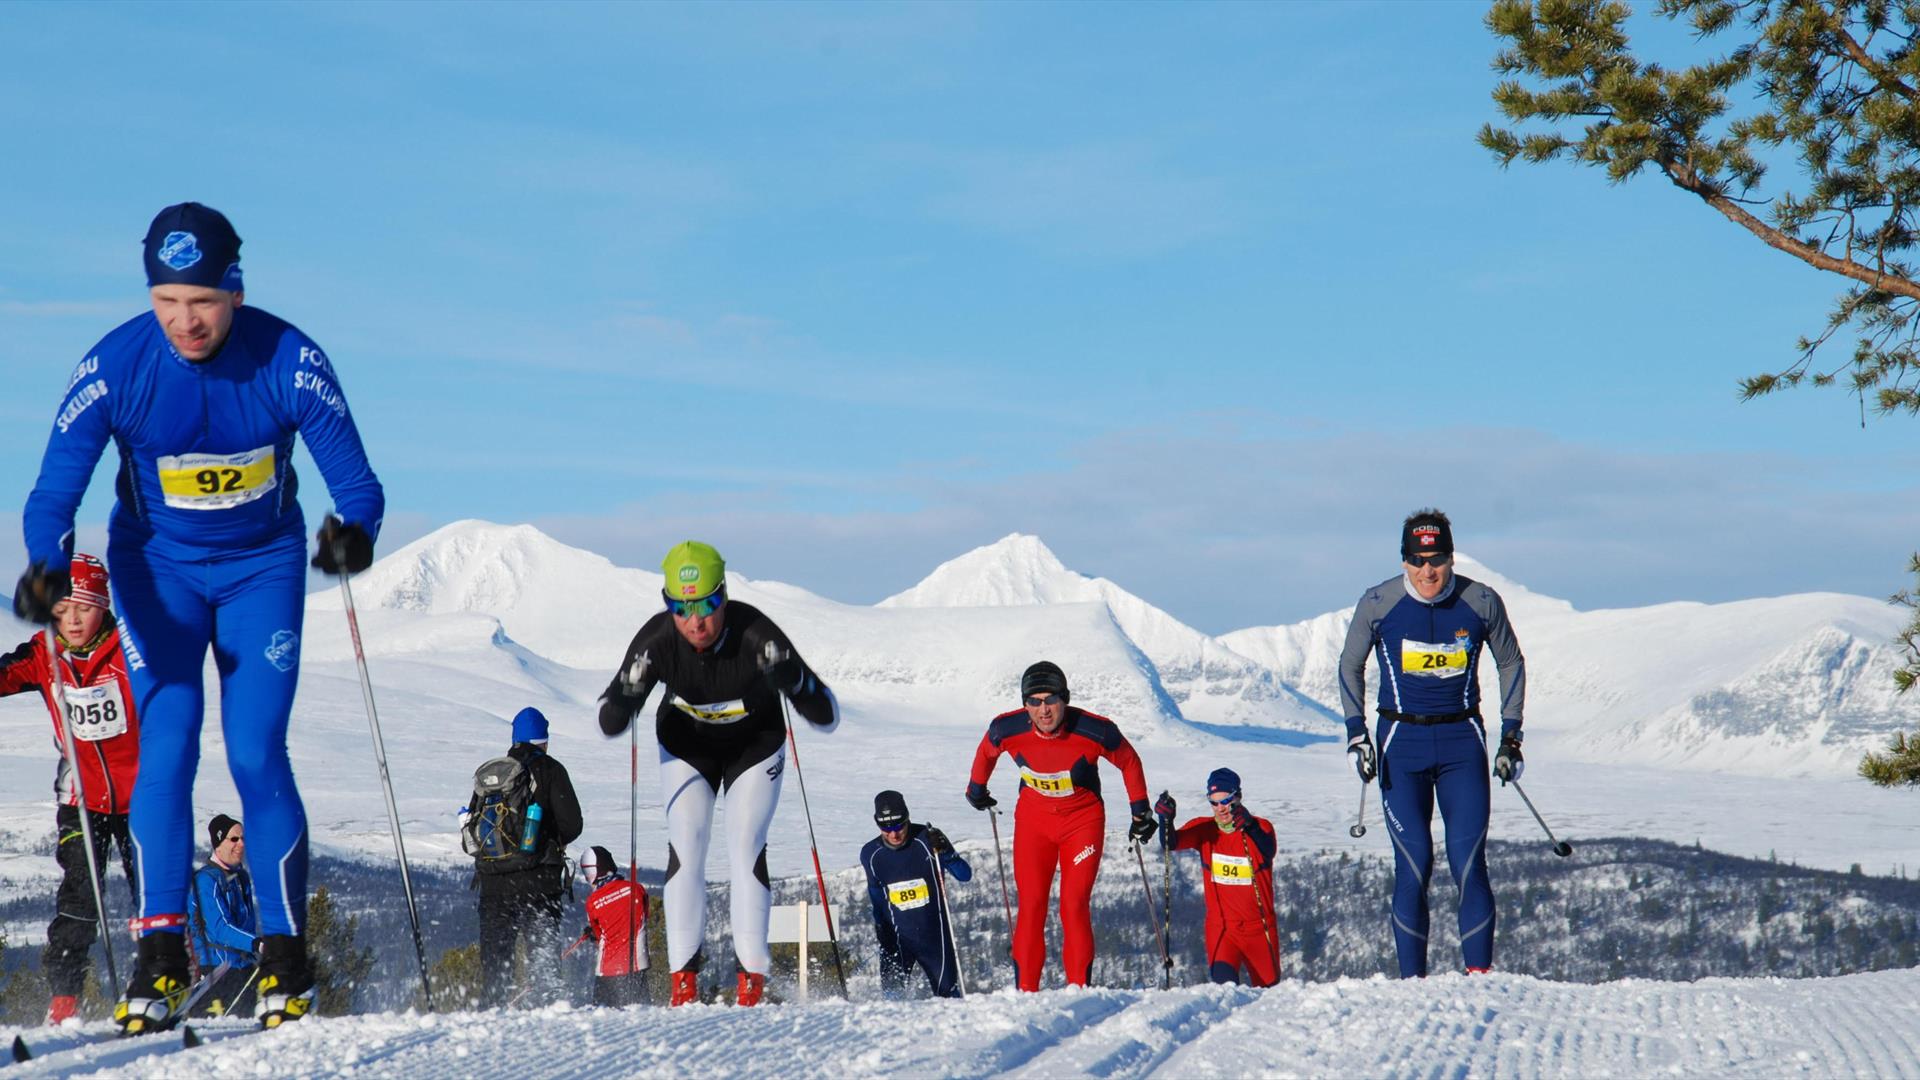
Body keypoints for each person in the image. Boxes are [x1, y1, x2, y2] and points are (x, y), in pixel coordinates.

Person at [15, 202, 384, 1032]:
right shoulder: (115, 366)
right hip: (160, 572)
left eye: (204, 302)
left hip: (263, 569)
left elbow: (357, 483)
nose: (185, 322)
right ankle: (160, 957)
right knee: (170, 742)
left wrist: (353, 531)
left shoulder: (289, 358)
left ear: (236, 290)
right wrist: (46, 564)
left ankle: (286, 957)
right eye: (166, 303)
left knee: (255, 749)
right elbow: (52, 492)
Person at [597, 540, 839, 1008]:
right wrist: (626, 698)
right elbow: (609, 720)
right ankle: (683, 983)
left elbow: (826, 712)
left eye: (707, 604)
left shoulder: (756, 634)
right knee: (687, 844)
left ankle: (752, 981)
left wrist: (794, 680)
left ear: (724, 595)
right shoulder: (657, 643)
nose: (696, 621)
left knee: (745, 843)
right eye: (680, 607)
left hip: (754, 745)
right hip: (688, 746)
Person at [1338, 508, 1527, 978]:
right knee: (1414, 862)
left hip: (1462, 744)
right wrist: (1356, 735)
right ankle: (1411, 986)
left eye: (1438, 559)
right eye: (1419, 560)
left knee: (1468, 862)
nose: (1429, 571)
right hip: (1402, 746)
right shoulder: (1377, 603)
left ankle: (1480, 978)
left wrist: (1511, 736)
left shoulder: (1481, 602)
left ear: (1451, 557)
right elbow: (1349, 665)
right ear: (1404, 560)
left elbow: (1511, 663)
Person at [0, 553, 139, 1024]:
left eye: (83, 607)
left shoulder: (130, 649)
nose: (72, 619)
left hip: (145, 794)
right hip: (80, 797)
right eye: (61, 608)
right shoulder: (44, 653)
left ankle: (168, 975)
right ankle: (63, 1000)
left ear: (102, 605)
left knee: (155, 891)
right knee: (78, 898)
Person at [966, 661, 1154, 991]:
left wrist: (1140, 812)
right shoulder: (1006, 729)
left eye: (1051, 699)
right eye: (1034, 701)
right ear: (1025, 704)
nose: (1044, 710)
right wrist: (976, 789)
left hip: (1082, 822)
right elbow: (986, 751)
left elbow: (1129, 761)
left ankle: (1078, 992)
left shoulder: (1095, 730)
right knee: (1031, 904)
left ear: (1064, 699)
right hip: (1033, 823)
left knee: (1073, 904)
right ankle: (1025, 993)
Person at [464, 707, 582, 1008]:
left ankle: (492, 1017)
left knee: (496, 964)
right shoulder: (551, 770)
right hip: (538, 882)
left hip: (493, 884)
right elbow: (572, 824)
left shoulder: (491, 774)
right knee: (542, 963)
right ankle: (546, 1018)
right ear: (544, 739)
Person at [1154, 769, 1279, 987]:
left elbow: (1268, 850)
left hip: (1259, 929)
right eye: (1214, 803)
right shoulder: (1204, 829)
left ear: (1238, 797)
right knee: (1223, 990)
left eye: (1226, 801)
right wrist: (1165, 819)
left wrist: (1249, 825)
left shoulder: (1260, 827)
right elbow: (1170, 844)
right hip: (1222, 928)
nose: (1220, 808)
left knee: (1269, 992)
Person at [859, 791, 972, 999]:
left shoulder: (927, 840)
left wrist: (947, 851)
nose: (894, 834)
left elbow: (964, 875)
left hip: (934, 938)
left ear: (908, 819)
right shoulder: (871, 854)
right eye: (886, 828)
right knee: (892, 1002)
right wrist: (880, 926)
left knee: (949, 998)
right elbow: (875, 893)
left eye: (899, 826)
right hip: (896, 940)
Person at [187, 814, 258, 1016]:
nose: (241, 844)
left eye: (243, 838)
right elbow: (220, 929)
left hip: (243, 968)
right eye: (234, 839)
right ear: (218, 843)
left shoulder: (240, 877)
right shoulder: (206, 881)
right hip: (215, 971)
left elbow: (246, 923)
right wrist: (256, 943)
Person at [576, 845, 649, 1008]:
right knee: (641, 1017)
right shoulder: (637, 890)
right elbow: (644, 916)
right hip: (637, 966)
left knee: (603, 1020)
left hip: (606, 972)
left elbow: (598, 934)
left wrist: (594, 934)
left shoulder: (593, 902)